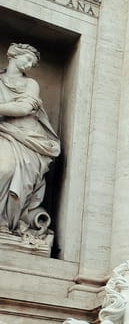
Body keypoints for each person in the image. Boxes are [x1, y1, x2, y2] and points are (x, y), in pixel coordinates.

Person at [0, 42, 61, 240]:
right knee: (4, 169)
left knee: (10, 172)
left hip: (28, 139)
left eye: (32, 63)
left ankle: (7, 223)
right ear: (13, 55)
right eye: (27, 59)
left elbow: (24, 109)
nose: (29, 65)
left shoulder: (30, 84)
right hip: (4, 132)